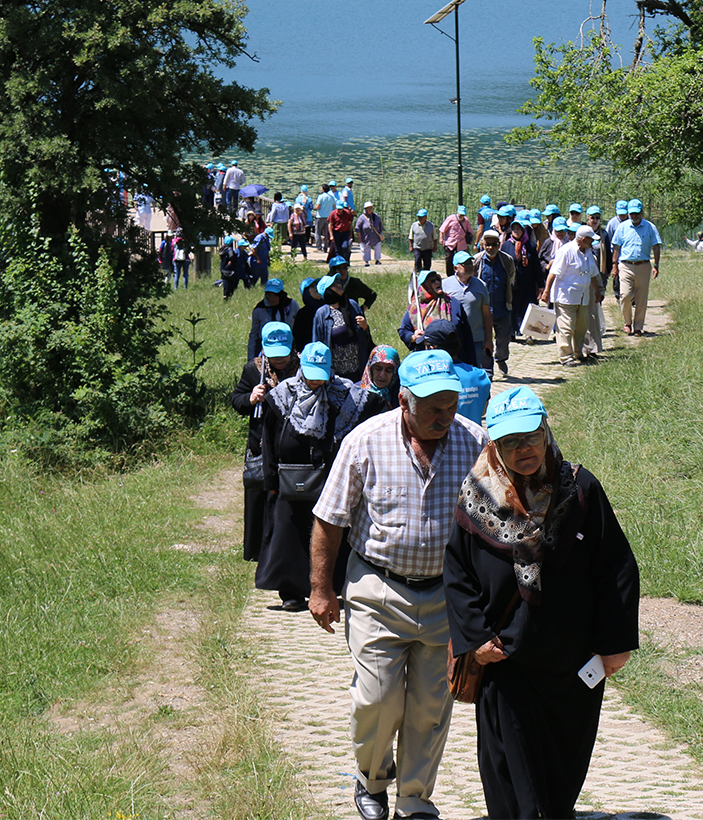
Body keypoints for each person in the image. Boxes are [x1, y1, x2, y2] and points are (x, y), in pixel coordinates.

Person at [309, 349, 489, 820]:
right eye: (432, 408)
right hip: (377, 589)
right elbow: (329, 520)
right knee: (377, 698)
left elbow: (495, 525)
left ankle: (415, 798)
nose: (443, 417)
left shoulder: (475, 443)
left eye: (450, 406)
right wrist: (321, 587)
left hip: (445, 596)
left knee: (431, 706)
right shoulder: (364, 441)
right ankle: (372, 781)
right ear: (403, 399)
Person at [444, 387, 640, 819]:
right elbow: (457, 574)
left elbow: (616, 566)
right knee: (514, 786)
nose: (524, 449)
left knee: (559, 780)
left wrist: (615, 643)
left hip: (571, 666)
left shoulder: (580, 489)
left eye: (530, 436)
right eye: (510, 442)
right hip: (506, 661)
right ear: (494, 445)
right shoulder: (476, 497)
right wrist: (474, 638)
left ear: (546, 430)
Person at [258, 341, 377, 613]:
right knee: (291, 534)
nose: (315, 382)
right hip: (292, 480)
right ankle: (291, 592)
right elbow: (269, 438)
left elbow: (373, 407)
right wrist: (271, 482)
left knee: (330, 534)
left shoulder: (346, 394)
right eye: (310, 375)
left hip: (332, 479)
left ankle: (332, 587)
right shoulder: (282, 395)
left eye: (320, 375)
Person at [230, 321, 299, 563]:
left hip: (292, 443)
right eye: (274, 356)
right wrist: (250, 398)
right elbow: (236, 399)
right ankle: (258, 550)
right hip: (262, 442)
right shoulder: (253, 369)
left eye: (284, 355)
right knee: (260, 495)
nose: (280, 361)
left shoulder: (302, 367)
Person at [541, 223, 600, 367]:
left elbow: (592, 274)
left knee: (581, 327)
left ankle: (578, 352)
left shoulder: (588, 253)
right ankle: (566, 357)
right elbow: (553, 273)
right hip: (566, 297)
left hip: (583, 296)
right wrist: (547, 291)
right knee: (566, 327)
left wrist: (598, 290)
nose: (593, 242)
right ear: (583, 239)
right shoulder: (566, 251)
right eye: (591, 239)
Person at [417, 318, 491, 423]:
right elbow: (483, 411)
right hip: (474, 437)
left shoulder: (429, 379)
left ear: (431, 349)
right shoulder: (480, 375)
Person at [611, 199, 661, 337]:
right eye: (631, 214)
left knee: (641, 299)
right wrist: (614, 265)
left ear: (641, 212)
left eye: (636, 213)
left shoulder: (650, 227)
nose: (634, 216)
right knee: (625, 295)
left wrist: (656, 265)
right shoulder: (623, 227)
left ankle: (638, 327)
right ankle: (627, 323)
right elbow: (616, 246)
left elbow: (656, 246)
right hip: (626, 265)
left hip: (643, 265)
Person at [312, 273, 372, 381]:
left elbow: (365, 339)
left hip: (359, 372)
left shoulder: (352, 305)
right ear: (327, 291)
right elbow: (317, 344)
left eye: (338, 282)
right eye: (334, 284)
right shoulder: (321, 314)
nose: (339, 285)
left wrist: (365, 327)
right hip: (336, 376)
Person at [444, 251, 494, 371]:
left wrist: (488, 340)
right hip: (453, 339)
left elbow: (487, 315)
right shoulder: (445, 285)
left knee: (476, 373)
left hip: (476, 339)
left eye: (470, 263)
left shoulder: (481, 285)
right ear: (455, 268)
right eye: (465, 264)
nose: (469, 267)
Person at [400, 270, 466, 356]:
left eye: (438, 279)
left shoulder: (453, 303)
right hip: (425, 357)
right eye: (432, 281)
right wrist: (412, 337)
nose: (437, 282)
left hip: (453, 356)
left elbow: (466, 334)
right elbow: (404, 330)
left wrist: (471, 361)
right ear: (425, 286)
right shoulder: (415, 309)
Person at [478, 229, 516, 377]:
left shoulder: (507, 260)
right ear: (483, 244)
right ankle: (488, 369)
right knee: (485, 339)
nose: (490, 248)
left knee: (503, 338)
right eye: (487, 244)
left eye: (494, 245)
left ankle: (501, 358)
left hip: (502, 307)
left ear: (499, 245)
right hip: (483, 310)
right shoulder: (477, 260)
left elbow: (512, 278)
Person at [247, 277, 299, 360]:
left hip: (288, 346)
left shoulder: (292, 305)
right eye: (269, 295)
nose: (272, 298)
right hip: (267, 347)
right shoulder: (260, 309)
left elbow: (298, 328)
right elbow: (254, 335)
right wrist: (251, 358)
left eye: (275, 295)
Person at [358, 344, 402, 412]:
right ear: (370, 369)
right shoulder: (357, 394)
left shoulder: (401, 395)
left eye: (388, 370)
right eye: (378, 368)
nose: (382, 375)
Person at [440, 205, 474, 277]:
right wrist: (441, 238)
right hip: (450, 243)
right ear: (457, 212)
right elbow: (442, 229)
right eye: (460, 214)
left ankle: (460, 274)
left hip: (461, 244)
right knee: (449, 259)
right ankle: (450, 275)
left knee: (461, 261)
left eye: (463, 215)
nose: (461, 216)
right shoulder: (450, 218)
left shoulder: (466, 220)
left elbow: (470, 231)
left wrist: (472, 240)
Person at [293, 277, 323, 353]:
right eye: (312, 286)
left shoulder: (328, 307)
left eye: (317, 285)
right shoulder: (303, 313)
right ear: (306, 292)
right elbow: (298, 337)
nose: (316, 288)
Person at [357, 201, 385, 266]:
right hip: (365, 237)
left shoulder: (376, 216)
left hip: (376, 236)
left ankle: (377, 260)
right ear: (365, 209)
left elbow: (380, 225)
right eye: (368, 208)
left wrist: (381, 232)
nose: (370, 210)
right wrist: (359, 238)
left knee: (378, 248)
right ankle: (366, 261)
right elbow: (357, 228)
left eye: (371, 208)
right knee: (365, 249)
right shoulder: (362, 217)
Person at [315, 183, 338, 251]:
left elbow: (317, 207)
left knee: (318, 232)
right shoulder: (331, 197)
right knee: (326, 233)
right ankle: (326, 247)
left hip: (320, 216)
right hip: (328, 217)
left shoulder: (320, 196)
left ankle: (319, 246)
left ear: (323, 189)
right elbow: (335, 206)